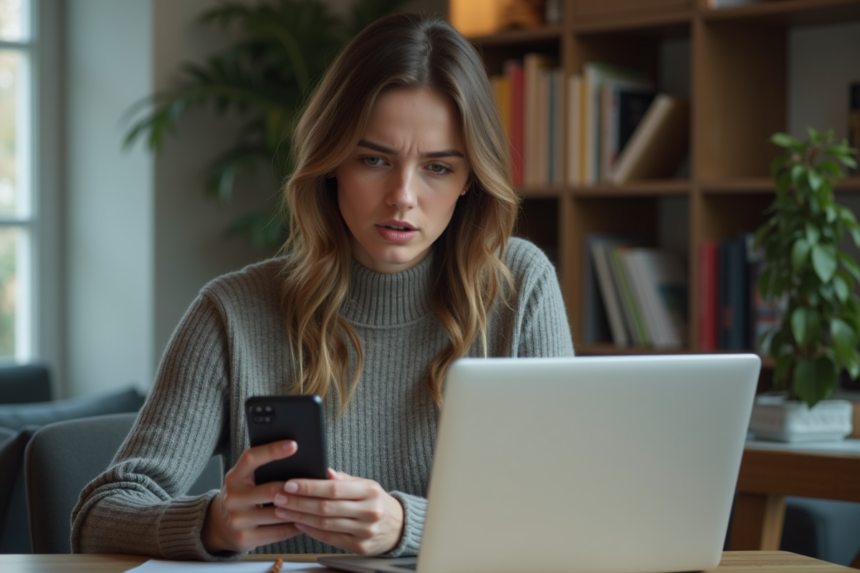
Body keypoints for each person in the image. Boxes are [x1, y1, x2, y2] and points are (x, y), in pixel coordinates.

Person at [71, 12, 574, 561]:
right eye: (374, 159)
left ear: (470, 179)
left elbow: (570, 509)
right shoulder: (233, 312)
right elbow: (98, 517)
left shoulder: (519, 286)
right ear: (332, 163)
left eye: (436, 167)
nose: (402, 196)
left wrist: (406, 525)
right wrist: (213, 522)